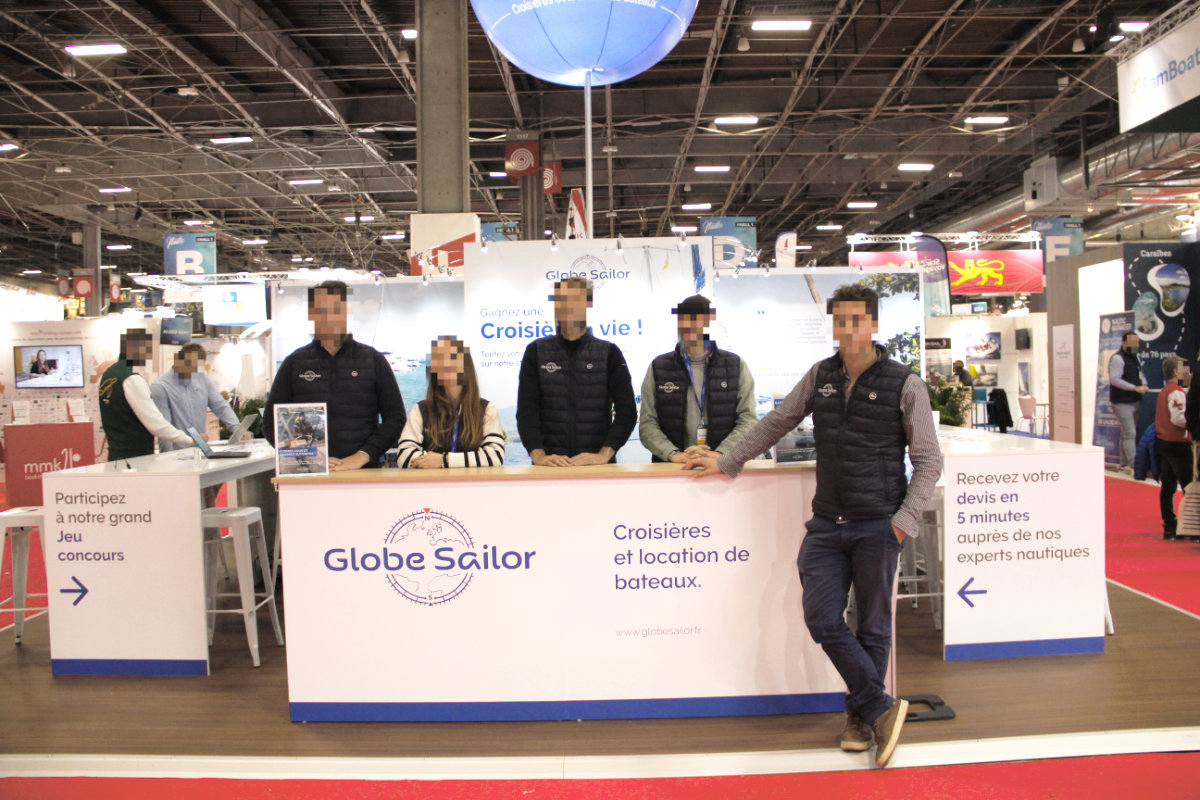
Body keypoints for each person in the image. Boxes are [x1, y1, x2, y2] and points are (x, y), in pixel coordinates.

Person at [685, 284, 942, 769]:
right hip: (826, 522)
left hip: (878, 525)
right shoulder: (820, 375)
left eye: (857, 321)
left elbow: (928, 460)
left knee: (872, 626)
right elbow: (777, 421)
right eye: (840, 321)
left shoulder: (905, 383)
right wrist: (728, 459)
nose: (848, 331)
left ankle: (859, 718)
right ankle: (880, 706)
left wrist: (901, 525)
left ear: (873, 325)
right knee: (823, 618)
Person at [264, 280, 406, 471]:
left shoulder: (373, 360)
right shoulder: (294, 363)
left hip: (364, 472)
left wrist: (362, 456)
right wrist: (305, 455)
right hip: (308, 472)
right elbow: (272, 421)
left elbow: (395, 418)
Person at [516, 276, 636, 466]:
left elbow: (627, 411)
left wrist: (604, 454)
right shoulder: (536, 351)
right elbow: (526, 411)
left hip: (597, 467)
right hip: (550, 467)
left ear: (587, 304)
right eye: (561, 300)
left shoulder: (609, 353)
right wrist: (538, 455)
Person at [639, 294, 757, 463]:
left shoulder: (735, 365)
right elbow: (647, 423)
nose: (690, 325)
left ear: (708, 322)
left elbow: (748, 419)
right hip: (673, 467)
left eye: (697, 319)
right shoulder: (659, 367)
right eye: (685, 319)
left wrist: (720, 453)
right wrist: (674, 454)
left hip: (722, 466)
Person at [397, 336, 506, 468]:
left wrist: (444, 461)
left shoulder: (486, 409)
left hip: (473, 485)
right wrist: (428, 461)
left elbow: (495, 456)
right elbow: (404, 455)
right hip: (430, 485)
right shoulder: (421, 409)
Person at [98, 328, 195, 461]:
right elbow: (155, 424)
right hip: (135, 458)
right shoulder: (131, 378)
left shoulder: (108, 374)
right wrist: (190, 440)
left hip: (116, 455)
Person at [150, 343, 240, 452]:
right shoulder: (160, 387)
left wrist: (237, 429)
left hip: (200, 451)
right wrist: (168, 458)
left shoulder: (202, 380)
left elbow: (220, 406)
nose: (193, 373)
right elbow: (164, 429)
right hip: (177, 453)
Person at [1156, 356, 1192, 540]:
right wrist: (1193, 423)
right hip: (1177, 444)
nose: (1189, 373)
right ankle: (1191, 528)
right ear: (1177, 372)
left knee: (1168, 485)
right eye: (1185, 370)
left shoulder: (1164, 391)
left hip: (1164, 443)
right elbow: (1178, 418)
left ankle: (1169, 525)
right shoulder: (1177, 393)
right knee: (1188, 486)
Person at [1109, 331, 1148, 472]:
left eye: (1137, 342)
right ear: (1125, 343)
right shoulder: (1118, 359)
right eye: (1134, 342)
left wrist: (1144, 384)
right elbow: (1114, 379)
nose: (1137, 345)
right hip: (1122, 402)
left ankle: (1124, 463)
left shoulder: (1135, 357)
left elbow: (1140, 374)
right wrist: (1135, 388)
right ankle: (1135, 466)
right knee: (1130, 433)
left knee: (1127, 433)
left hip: (1135, 401)